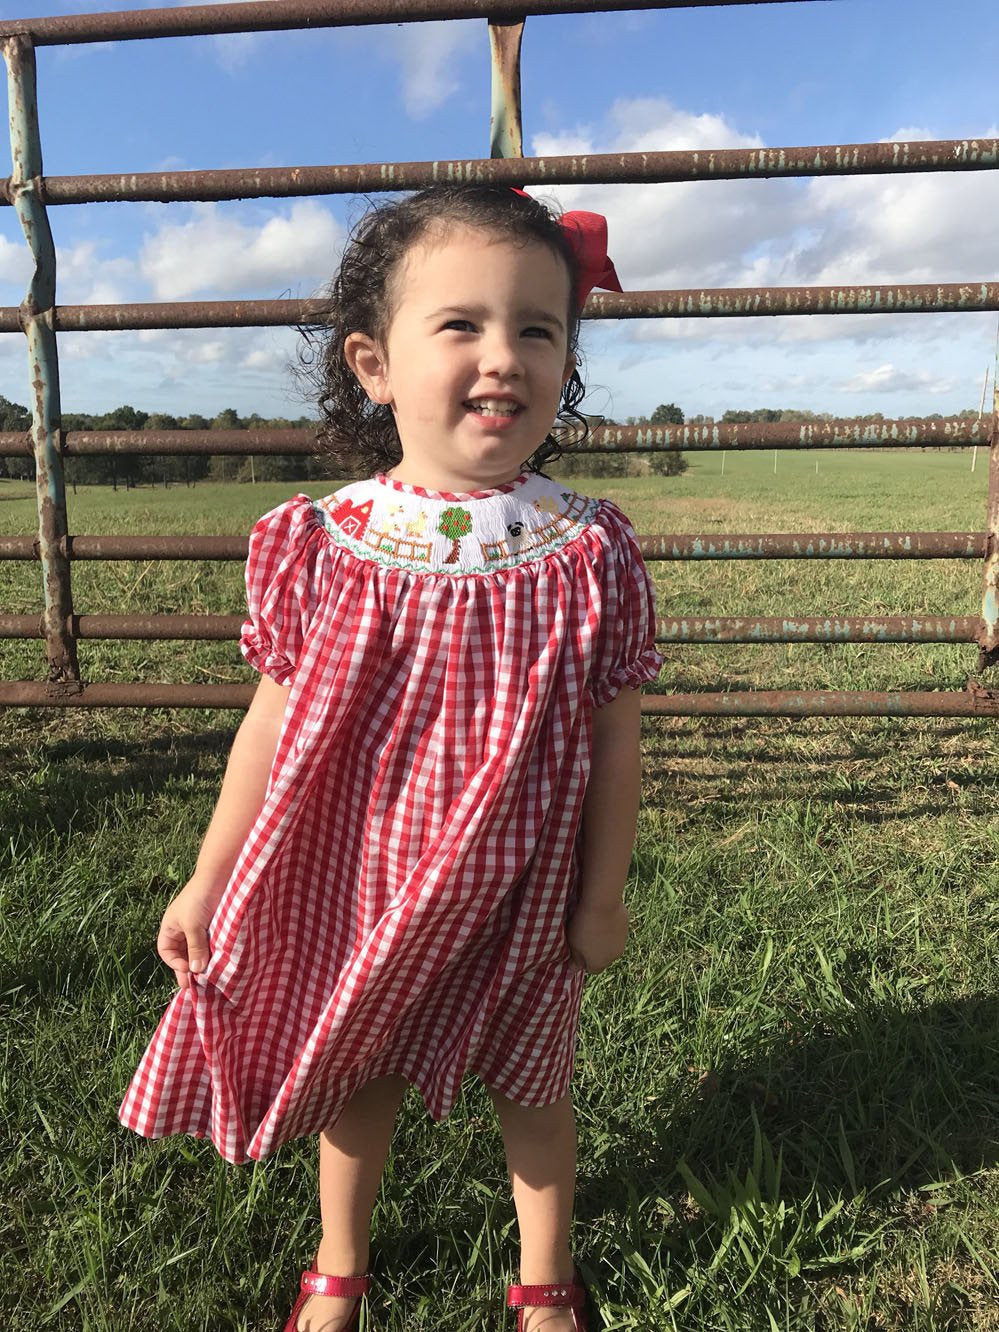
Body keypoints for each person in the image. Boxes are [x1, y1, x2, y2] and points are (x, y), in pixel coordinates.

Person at [118, 183, 663, 1332]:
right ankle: (340, 1261)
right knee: (353, 1080)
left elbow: (619, 729)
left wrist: (603, 895)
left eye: (538, 328)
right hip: (364, 888)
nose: (503, 356)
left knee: (536, 1088)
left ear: (566, 361)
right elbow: (269, 723)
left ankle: (545, 1277)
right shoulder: (323, 545)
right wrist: (208, 876)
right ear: (374, 363)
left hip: (526, 890)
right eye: (460, 324)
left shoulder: (588, 545)